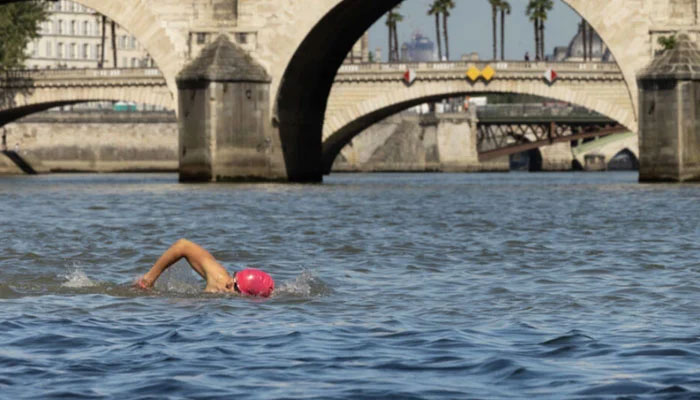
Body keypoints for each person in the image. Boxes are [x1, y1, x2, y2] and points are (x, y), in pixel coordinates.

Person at [136, 239, 274, 297]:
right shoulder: (220, 278)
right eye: (234, 277)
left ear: (243, 295)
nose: (230, 282)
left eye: (235, 285)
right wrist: (149, 279)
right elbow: (183, 245)